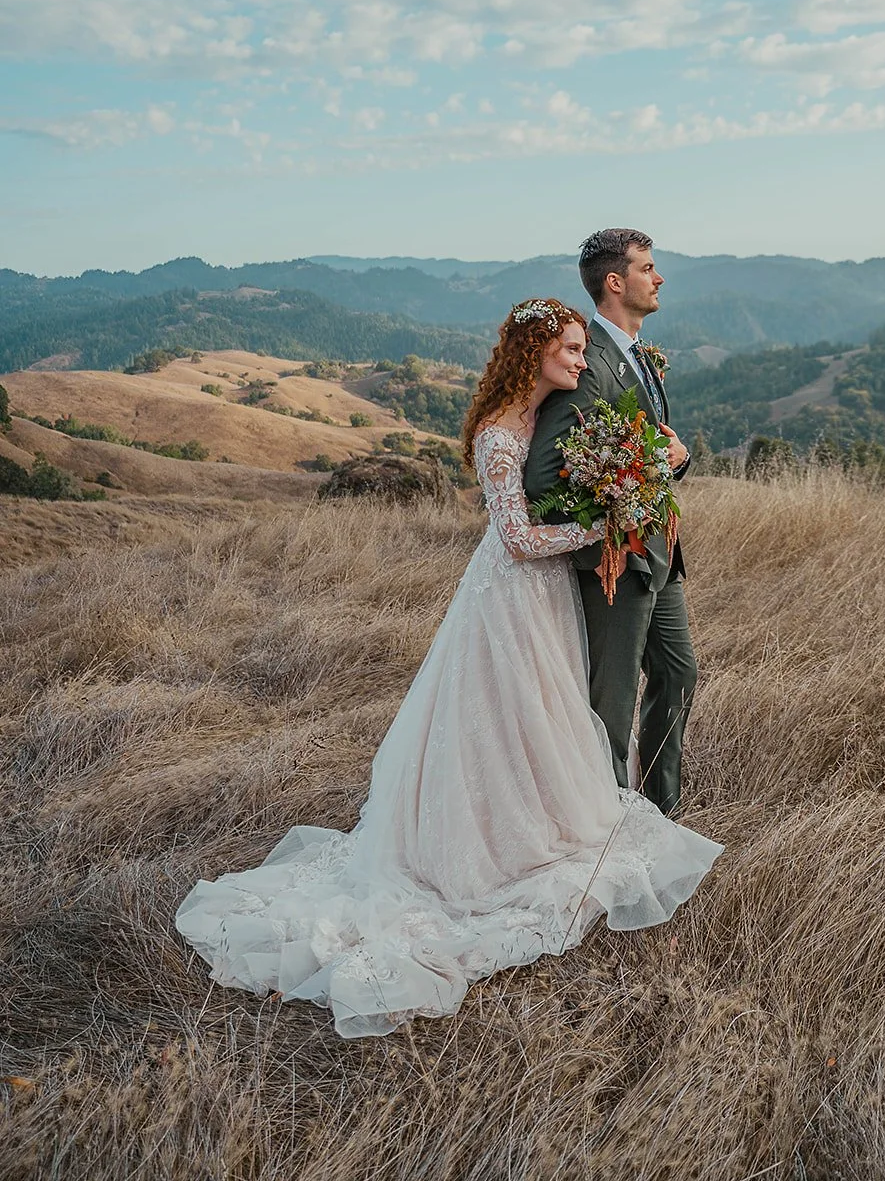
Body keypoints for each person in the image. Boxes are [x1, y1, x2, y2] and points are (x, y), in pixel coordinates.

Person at [176, 299, 721, 1039]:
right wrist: (607, 521)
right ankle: (486, 848)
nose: (580, 360)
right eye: (567, 348)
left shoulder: (547, 419)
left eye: (581, 348)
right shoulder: (498, 434)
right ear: (532, 353)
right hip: (509, 598)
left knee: (543, 717)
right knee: (495, 719)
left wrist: (629, 480)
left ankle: (543, 816)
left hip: (549, 601)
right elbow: (520, 539)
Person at [525, 231, 697, 816]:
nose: (660, 278)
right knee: (612, 701)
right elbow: (545, 475)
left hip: (661, 552)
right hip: (615, 562)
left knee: (677, 675)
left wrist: (675, 459)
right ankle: (604, 825)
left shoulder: (640, 355)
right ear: (616, 282)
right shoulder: (587, 362)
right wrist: (610, 522)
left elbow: (652, 450)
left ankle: (659, 811)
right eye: (649, 268)